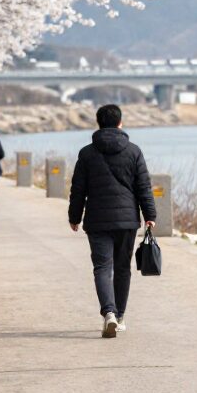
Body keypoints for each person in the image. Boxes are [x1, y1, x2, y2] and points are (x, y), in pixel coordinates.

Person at [68, 103, 156, 338]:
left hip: (97, 220)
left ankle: (108, 312)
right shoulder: (134, 151)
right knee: (122, 268)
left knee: (102, 267)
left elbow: (78, 189)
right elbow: (143, 187)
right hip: (126, 220)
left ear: (99, 123)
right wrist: (150, 215)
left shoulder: (87, 153)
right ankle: (120, 316)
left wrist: (74, 216)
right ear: (120, 123)